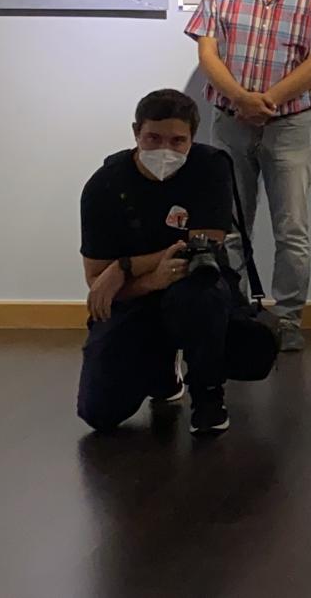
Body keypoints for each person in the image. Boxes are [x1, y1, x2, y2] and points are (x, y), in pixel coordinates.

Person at [184, 0, 311, 352]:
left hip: (289, 125)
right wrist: (241, 99)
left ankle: (288, 319)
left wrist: (267, 100)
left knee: (291, 229)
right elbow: (207, 54)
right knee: (228, 225)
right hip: (230, 122)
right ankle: (231, 312)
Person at [77, 90, 239, 436]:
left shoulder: (211, 167)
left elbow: (205, 245)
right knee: (98, 413)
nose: (165, 149)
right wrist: (150, 279)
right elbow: (96, 280)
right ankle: (162, 374)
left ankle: (208, 396)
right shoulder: (103, 185)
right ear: (136, 132)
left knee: (202, 297)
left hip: (193, 284)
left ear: (192, 138)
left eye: (178, 140)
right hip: (136, 296)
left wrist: (123, 267)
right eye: (153, 138)